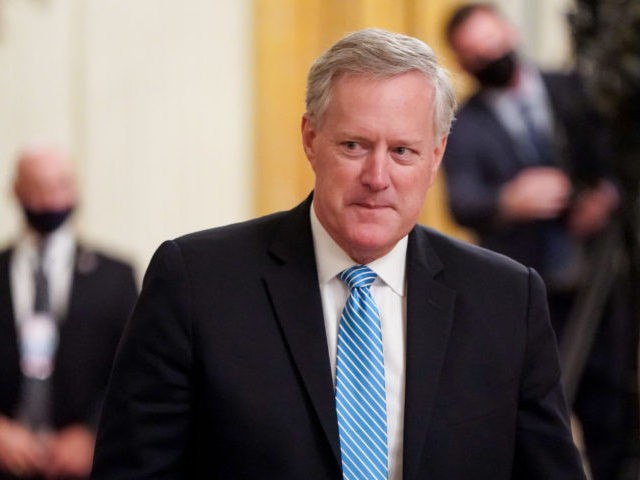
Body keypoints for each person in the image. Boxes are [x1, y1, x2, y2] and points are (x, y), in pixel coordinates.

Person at [91, 28, 586, 479]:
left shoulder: (506, 298)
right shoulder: (197, 283)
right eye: (354, 145)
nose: (377, 177)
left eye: (403, 152)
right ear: (310, 139)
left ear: (436, 156)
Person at [442, 4, 629, 480]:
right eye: (475, 52)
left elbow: (619, 156)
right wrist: (510, 200)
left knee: (613, 404)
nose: (490, 54)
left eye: (492, 40)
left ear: (508, 31)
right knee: (542, 408)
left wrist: (604, 198)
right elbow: (462, 201)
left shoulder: (573, 89)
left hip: (602, 278)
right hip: (533, 290)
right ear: (463, 63)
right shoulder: (464, 123)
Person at [0, 145, 138, 479]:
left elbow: (133, 368)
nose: (49, 201)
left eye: (59, 186)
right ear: (16, 190)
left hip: (83, 464)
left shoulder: (115, 276)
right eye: (38, 188)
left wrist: (93, 433)